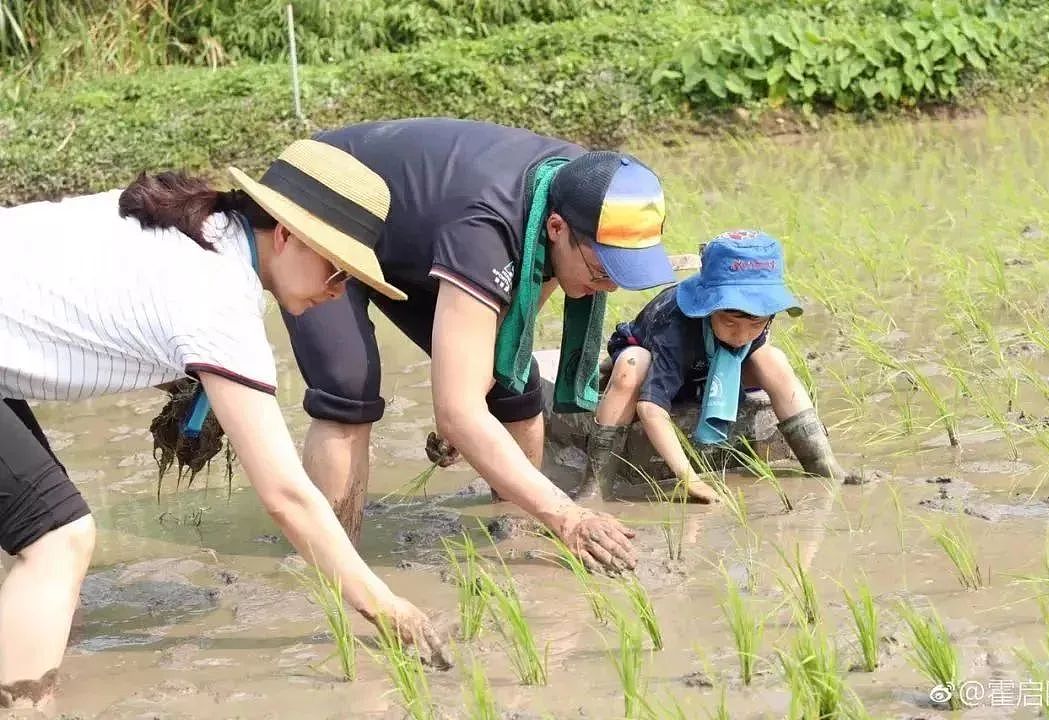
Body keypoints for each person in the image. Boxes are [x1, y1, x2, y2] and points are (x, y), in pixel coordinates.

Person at [0, 139, 449, 708]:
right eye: (337, 272)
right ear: (284, 234)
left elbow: (96, 307)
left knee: (36, 535)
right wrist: (386, 607)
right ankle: (22, 704)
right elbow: (286, 495)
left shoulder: (201, 228)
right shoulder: (218, 297)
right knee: (57, 538)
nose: (337, 293)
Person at [278, 118, 677, 574]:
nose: (607, 285)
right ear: (556, 228)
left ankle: (516, 541)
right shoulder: (488, 228)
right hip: (324, 200)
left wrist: (464, 411)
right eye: (602, 270)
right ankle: (331, 564)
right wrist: (567, 514)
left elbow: (510, 332)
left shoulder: (584, 186)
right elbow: (459, 410)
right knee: (348, 387)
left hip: (418, 229)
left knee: (514, 386)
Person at [576, 229, 863, 502]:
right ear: (708, 306)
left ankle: (822, 465)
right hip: (658, 363)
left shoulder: (756, 321)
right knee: (631, 365)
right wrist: (690, 479)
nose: (742, 336)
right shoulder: (674, 326)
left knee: (773, 358)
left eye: (756, 324)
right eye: (729, 322)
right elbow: (650, 408)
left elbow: (752, 342)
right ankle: (596, 486)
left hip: (709, 369)